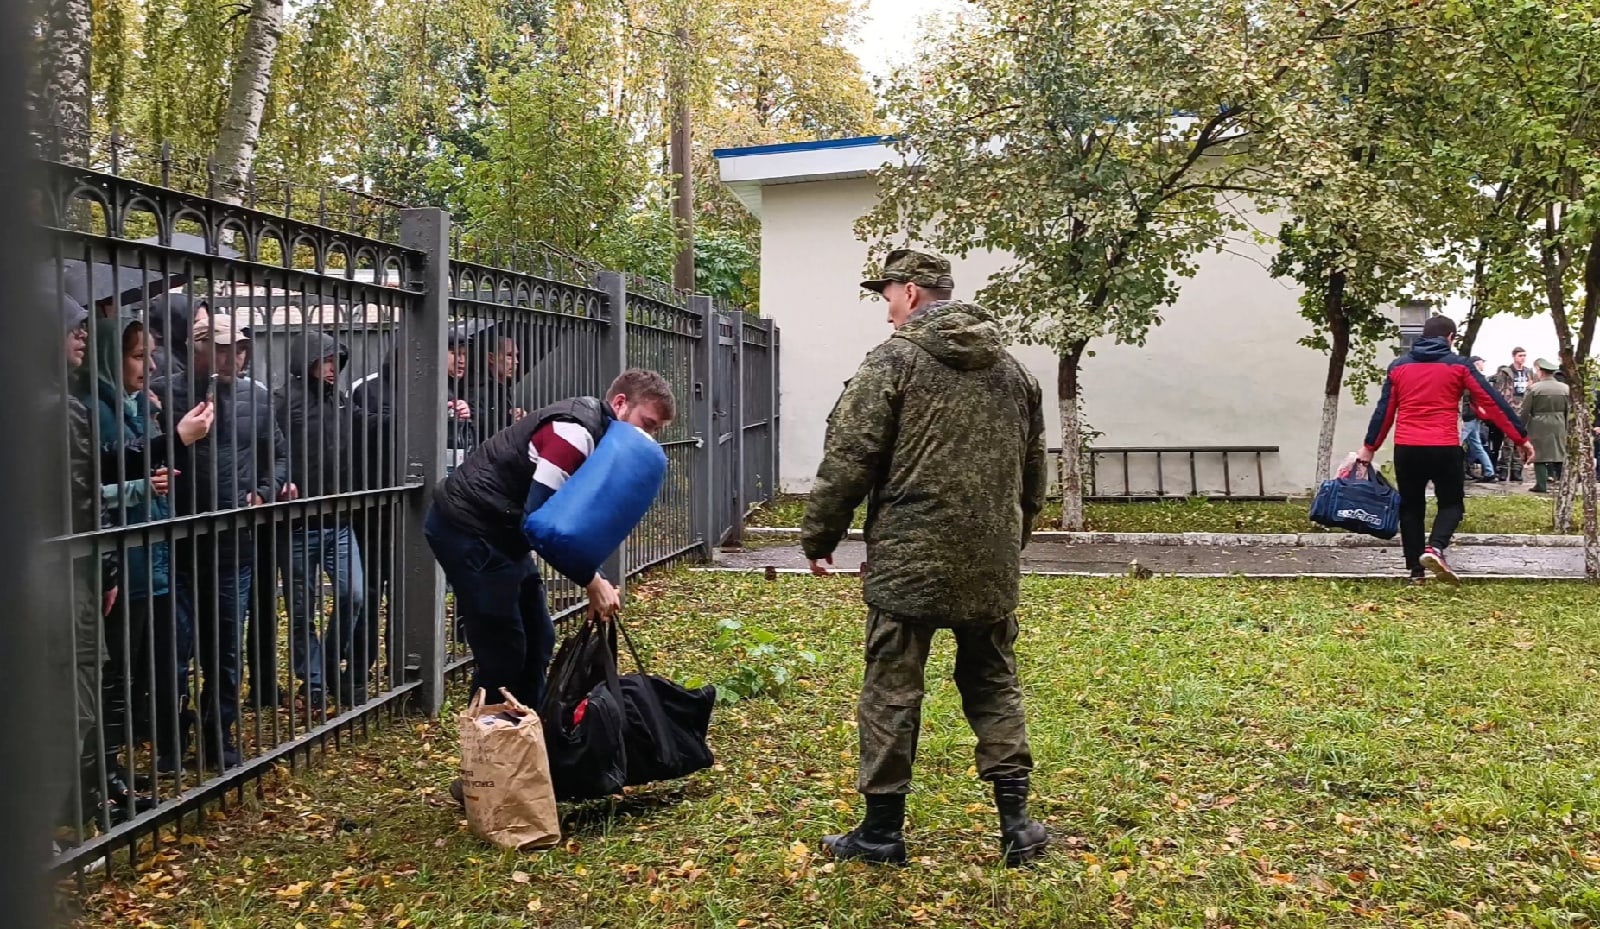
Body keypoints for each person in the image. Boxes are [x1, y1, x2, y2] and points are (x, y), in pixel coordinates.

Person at [800, 249, 1050, 868]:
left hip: (909, 562)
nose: (886, 309)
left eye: (887, 295)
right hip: (991, 565)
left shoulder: (895, 360)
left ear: (911, 292)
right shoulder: (1015, 373)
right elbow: (1034, 479)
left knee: (890, 690)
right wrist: (1007, 547)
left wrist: (819, 537)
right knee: (993, 683)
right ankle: (1018, 825)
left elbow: (849, 458)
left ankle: (882, 833)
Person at [426, 369, 675, 716]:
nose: (647, 437)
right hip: (469, 529)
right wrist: (591, 581)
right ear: (619, 403)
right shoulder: (572, 433)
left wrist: (595, 576)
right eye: (646, 424)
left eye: (655, 432)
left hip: (505, 533)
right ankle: (492, 755)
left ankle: (532, 738)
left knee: (539, 639)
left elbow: (570, 522)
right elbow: (542, 523)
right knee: (503, 652)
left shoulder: (601, 436)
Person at [153, 314, 293, 770]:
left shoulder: (256, 397)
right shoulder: (164, 394)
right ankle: (171, 739)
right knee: (174, 650)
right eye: (221, 348)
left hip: (234, 543)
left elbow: (279, 454)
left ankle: (219, 735)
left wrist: (266, 491)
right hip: (175, 541)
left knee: (226, 648)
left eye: (240, 348)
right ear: (196, 350)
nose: (234, 356)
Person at [84, 317, 211, 799]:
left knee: (135, 670)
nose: (151, 365)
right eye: (139, 356)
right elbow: (91, 481)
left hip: (149, 551)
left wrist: (147, 411)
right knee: (113, 674)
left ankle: (111, 768)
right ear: (108, 357)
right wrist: (143, 483)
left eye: (151, 355)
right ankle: (101, 774)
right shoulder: (94, 408)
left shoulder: (134, 405)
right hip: (122, 559)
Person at [1358, 315, 1532, 583]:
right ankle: (1435, 548)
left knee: (1411, 507)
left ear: (1423, 337)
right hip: (1444, 447)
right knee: (1451, 505)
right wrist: (1520, 438)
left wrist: (1369, 447)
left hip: (1407, 448)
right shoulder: (1459, 366)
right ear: (1451, 337)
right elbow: (1493, 401)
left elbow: (1385, 411)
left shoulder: (1398, 367)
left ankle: (1416, 572)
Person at [275, 330, 381, 712]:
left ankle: (330, 664)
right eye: (324, 360)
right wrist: (276, 482)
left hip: (338, 520)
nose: (332, 368)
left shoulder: (338, 400)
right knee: (302, 610)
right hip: (297, 523)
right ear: (306, 363)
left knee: (353, 594)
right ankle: (315, 680)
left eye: (336, 360)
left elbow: (367, 422)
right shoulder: (283, 402)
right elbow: (270, 448)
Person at [1522, 358, 1570, 494]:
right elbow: (1569, 410)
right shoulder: (1565, 388)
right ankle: (1563, 484)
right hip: (1560, 422)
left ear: (1541, 372)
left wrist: (1521, 427)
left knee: (1539, 455)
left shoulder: (1534, 388)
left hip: (1538, 423)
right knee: (1559, 454)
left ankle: (1541, 484)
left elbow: (1525, 410)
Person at [1490, 348, 1533, 481]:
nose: (1523, 358)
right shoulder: (1506, 373)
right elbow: (1498, 391)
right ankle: (1504, 469)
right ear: (1514, 357)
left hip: (1523, 408)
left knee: (1520, 442)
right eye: (1520, 355)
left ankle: (1516, 470)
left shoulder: (1528, 372)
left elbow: (1533, 388)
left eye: (1524, 356)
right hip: (1510, 408)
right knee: (1508, 441)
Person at [1460, 356, 1496, 482]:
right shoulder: (1479, 378)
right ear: (1476, 364)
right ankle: (1489, 471)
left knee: (1456, 442)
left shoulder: (1469, 378)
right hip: (1474, 414)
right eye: (1481, 363)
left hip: (1468, 415)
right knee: (1477, 444)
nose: (1483, 365)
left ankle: (1448, 471)